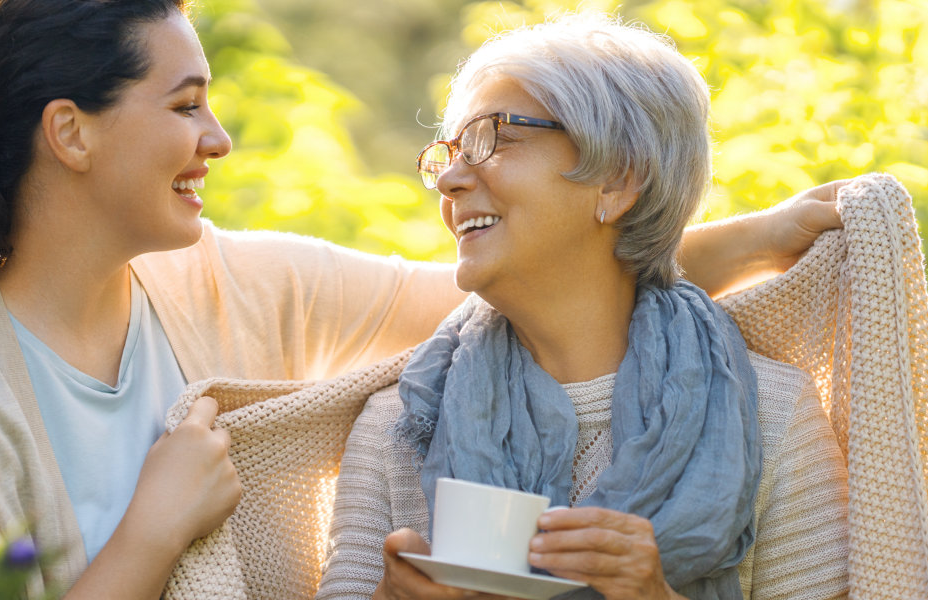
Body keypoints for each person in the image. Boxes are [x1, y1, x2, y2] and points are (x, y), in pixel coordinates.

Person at [0, 0, 843, 597]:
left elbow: (517, 288)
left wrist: (748, 236)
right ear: (73, 133)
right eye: (186, 106)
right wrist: (150, 535)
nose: (219, 139)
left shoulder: (224, 282)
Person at [316, 15, 850, 600]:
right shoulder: (402, 420)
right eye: (449, 153)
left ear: (618, 181)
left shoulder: (773, 415)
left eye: (493, 138)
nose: (449, 180)